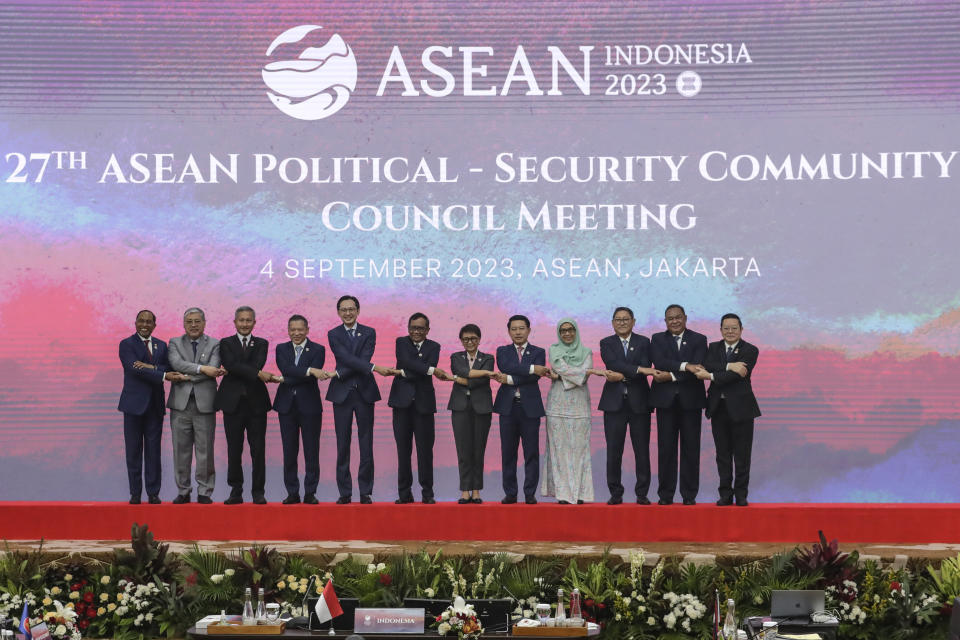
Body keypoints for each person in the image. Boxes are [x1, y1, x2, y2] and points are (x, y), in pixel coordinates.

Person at [117, 310, 188, 504]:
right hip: (133, 406)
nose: (145, 325)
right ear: (135, 322)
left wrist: (150, 367)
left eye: (149, 322)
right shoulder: (127, 344)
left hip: (154, 406)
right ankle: (135, 494)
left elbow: (168, 367)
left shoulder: (161, 345)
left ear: (155, 325)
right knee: (133, 452)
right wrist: (161, 374)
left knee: (153, 452)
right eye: (141, 321)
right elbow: (133, 367)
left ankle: (153, 493)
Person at [695, 313, 761, 507]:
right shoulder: (713, 347)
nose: (730, 331)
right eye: (726, 328)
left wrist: (711, 376)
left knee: (742, 455)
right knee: (722, 455)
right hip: (718, 408)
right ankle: (725, 494)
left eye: (734, 328)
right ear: (721, 329)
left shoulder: (750, 350)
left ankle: (741, 495)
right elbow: (708, 365)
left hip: (742, 409)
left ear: (741, 329)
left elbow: (738, 376)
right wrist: (728, 366)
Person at [215, 306, 279, 505]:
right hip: (232, 404)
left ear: (254, 323)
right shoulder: (225, 343)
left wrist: (253, 370)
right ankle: (236, 491)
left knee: (258, 449)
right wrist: (258, 374)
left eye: (248, 320)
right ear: (234, 322)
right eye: (241, 320)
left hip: (256, 404)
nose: (244, 324)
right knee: (234, 449)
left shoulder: (262, 343)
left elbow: (254, 364)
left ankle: (258, 491)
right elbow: (230, 364)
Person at [387, 312, 450, 504]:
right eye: (413, 327)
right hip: (401, 404)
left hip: (424, 405)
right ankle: (404, 494)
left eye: (420, 328)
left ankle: (427, 493)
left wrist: (404, 372)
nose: (416, 331)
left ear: (428, 330)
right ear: (408, 328)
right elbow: (407, 362)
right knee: (403, 451)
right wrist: (430, 370)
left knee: (425, 451)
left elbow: (412, 370)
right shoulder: (401, 342)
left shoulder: (434, 346)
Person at [597, 307, 659, 505]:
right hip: (613, 404)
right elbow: (612, 363)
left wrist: (625, 373)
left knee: (642, 450)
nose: (622, 322)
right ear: (612, 322)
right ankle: (616, 493)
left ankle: (642, 493)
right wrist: (637, 370)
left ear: (634, 321)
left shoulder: (644, 342)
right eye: (618, 319)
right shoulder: (606, 343)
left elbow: (642, 365)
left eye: (626, 319)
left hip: (639, 403)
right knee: (614, 450)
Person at [326, 295, 383, 504]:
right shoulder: (333, 334)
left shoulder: (369, 332)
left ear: (358, 310)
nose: (348, 313)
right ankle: (345, 492)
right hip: (341, 395)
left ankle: (366, 491)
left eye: (351, 309)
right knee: (343, 444)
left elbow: (364, 360)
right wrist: (370, 368)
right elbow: (345, 358)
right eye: (343, 309)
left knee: (366, 443)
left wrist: (340, 372)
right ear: (338, 312)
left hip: (365, 393)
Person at [542, 319, 605, 504]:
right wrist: (578, 374)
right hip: (557, 405)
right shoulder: (554, 349)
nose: (567, 334)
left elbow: (583, 372)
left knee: (579, 450)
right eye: (563, 331)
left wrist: (563, 376)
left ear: (576, 331)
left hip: (579, 406)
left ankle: (579, 494)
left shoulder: (586, 352)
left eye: (570, 330)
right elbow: (571, 371)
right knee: (559, 450)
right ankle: (563, 495)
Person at [649, 304, 707, 505]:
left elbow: (698, 367)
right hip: (665, 402)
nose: (674, 321)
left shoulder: (699, 339)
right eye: (670, 318)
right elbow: (659, 361)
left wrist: (672, 376)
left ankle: (689, 495)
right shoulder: (657, 339)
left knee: (691, 449)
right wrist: (685, 366)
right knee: (666, 449)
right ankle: (665, 495)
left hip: (691, 402)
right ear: (665, 321)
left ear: (685, 318)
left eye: (678, 317)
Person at [166, 307, 223, 504]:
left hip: (205, 405)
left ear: (204, 323)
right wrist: (202, 369)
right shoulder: (174, 342)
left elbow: (214, 369)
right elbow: (175, 364)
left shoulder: (216, 344)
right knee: (180, 450)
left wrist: (189, 375)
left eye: (197, 321)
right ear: (184, 324)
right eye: (189, 321)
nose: (193, 325)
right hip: (180, 405)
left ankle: (204, 491)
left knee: (205, 450)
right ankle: (183, 490)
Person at [493, 314, 550, 505]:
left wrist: (509, 379)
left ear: (529, 330)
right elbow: (505, 366)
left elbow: (535, 377)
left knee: (531, 452)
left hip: (530, 409)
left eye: (521, 328)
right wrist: (533, 368)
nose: (518, 332)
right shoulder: (502, 351)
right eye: (514, 329)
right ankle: (510, 492)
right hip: (508, 408)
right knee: (508, 452)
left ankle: (529, 493)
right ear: (509, 331)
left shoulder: (539, 351)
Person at [273, 314, 327, 505]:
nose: (296, 333)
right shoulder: (281, 348)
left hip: (310, 406)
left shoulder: (319, 349)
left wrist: (283, 379)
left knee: (312, 451)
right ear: (288, 331)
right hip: (286, 406)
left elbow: (295, 375)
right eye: (292, 330)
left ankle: (310, 492)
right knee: (289, 451)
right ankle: (292, 492)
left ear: (307, 330)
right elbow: (286, 368)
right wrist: (310, 370)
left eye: (300, 329)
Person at [447, 324, 495, 504]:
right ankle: (465, 490)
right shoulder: (456, 357)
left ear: (479, 339)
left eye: (473, 339)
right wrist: (482, 373)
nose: (470, 342)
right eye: (466, 339)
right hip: (460, 408)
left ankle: (476, 490)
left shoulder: (488, 358)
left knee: (478, 450)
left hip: (482, 408)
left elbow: (479, 383)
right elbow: (460, 371)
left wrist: (458, 380)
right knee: (463, 451)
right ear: (461, 341)